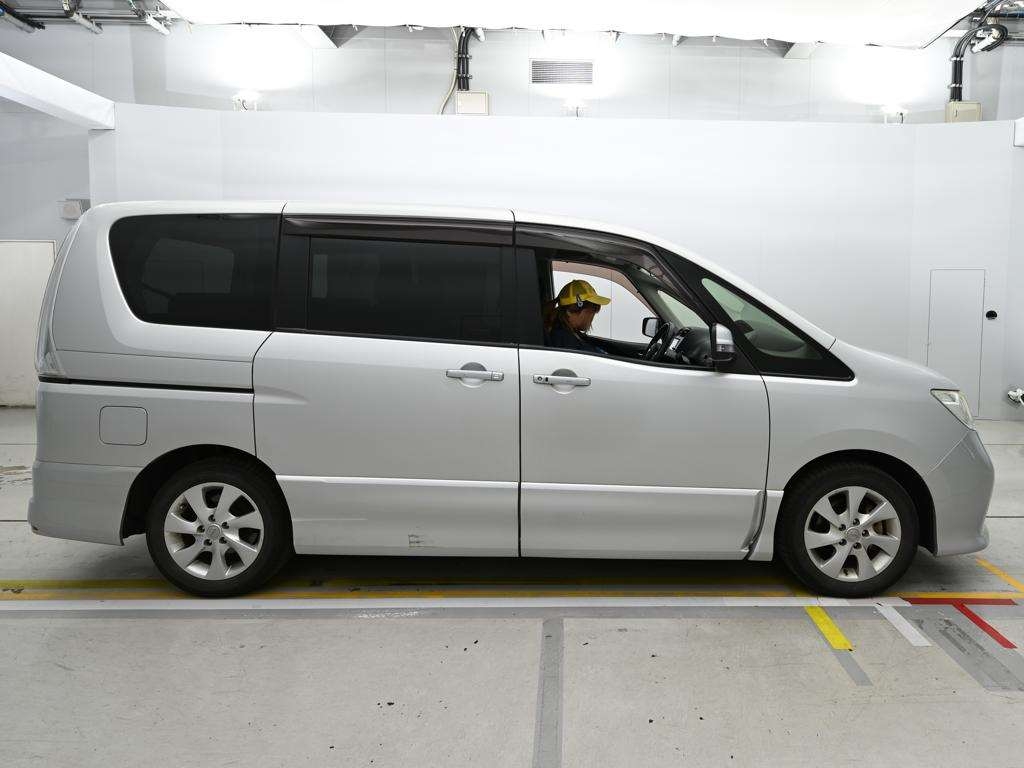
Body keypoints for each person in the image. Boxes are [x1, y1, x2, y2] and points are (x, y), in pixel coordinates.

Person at [543, 279, 611, 354]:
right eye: (591, 310)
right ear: (569, 311)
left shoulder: (569, 331)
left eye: (596, 310)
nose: (593, 314)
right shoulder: (566, 341)